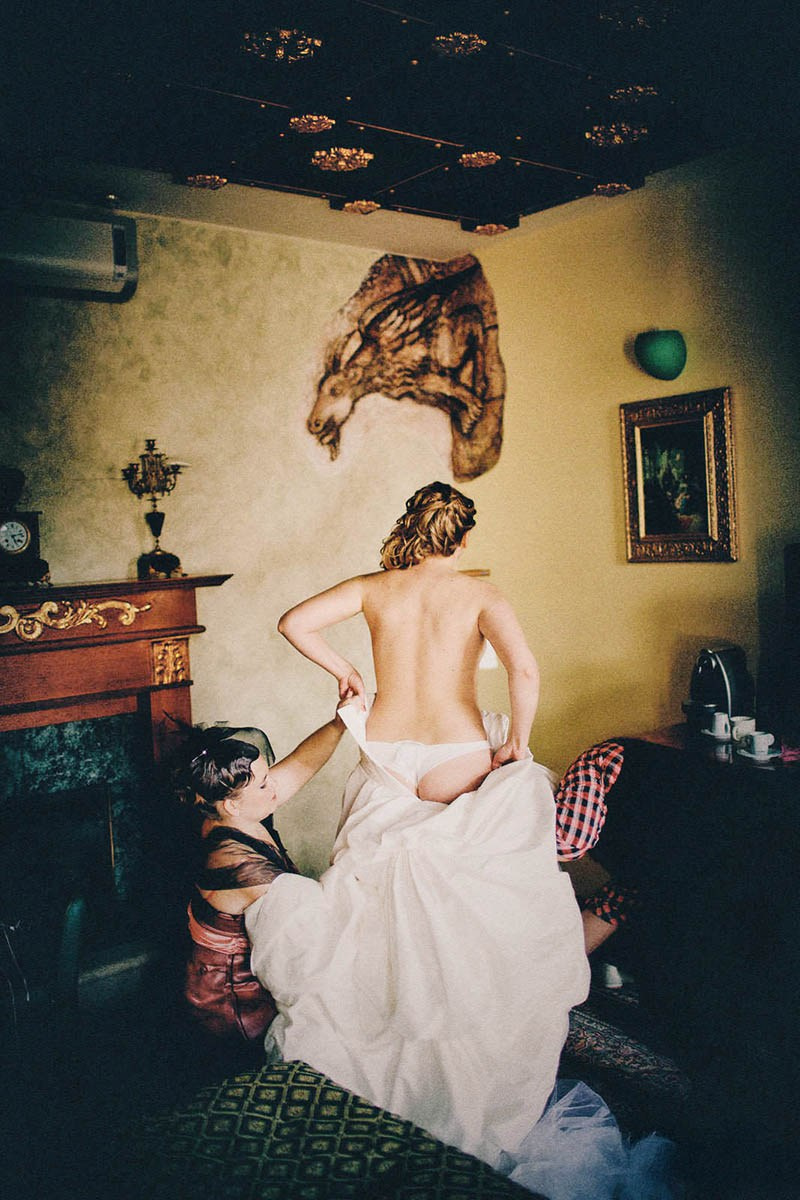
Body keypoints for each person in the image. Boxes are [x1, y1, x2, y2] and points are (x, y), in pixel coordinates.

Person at [277, 481, 540, 804]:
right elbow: (524, 670)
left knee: (386, 854)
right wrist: (516, 741)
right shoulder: (483, 596)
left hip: (385, 752)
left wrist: (344, 671)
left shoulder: (370, 587)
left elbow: (293, 624)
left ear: (414, 528)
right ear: (465, 538)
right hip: (456, 749)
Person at [175, 712, 345, 1045]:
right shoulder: (234, 860)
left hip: (246, 977)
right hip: (232, 1001)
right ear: (232, 806)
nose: (275, 787)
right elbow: (317, 914)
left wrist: (340, 723)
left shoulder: (226, 810)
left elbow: (300, 765)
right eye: (265, 784)